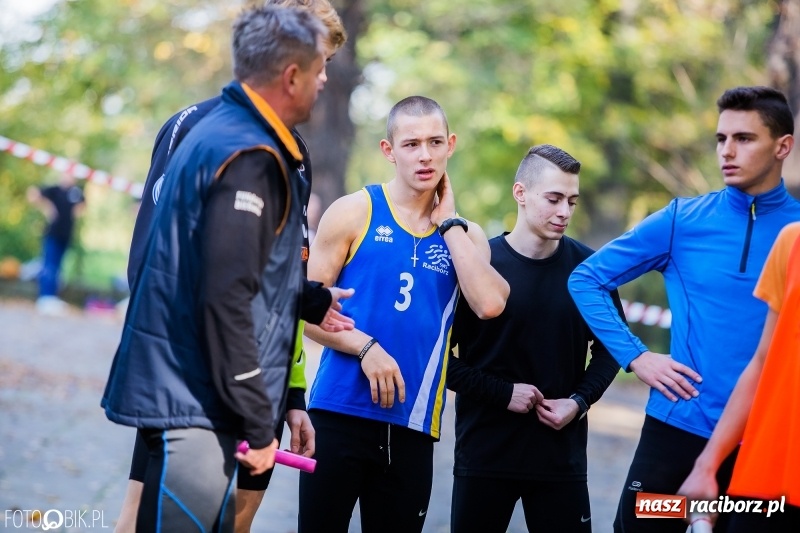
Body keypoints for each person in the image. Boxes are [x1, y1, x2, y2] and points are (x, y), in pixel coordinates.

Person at [101, 7, 354, 532]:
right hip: (201, 397)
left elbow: (238, 266)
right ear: (291, 74)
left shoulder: (235, 133)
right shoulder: (249, 153)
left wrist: (305, 307)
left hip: (192, 388)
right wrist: (253, 414)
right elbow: (224, 294)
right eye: (319, 67)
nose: (326, 79)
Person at [568, 85, 800, 532]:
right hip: (678, 429)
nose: (727, 151)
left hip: (764, 445)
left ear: (782, 147)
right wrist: (636, 356)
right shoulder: (682, 220)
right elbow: (587, 278)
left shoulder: (797, 233)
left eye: (744, 138)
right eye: (720, 139)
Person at [297, 95, 510, 533]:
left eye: (435, 142)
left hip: (413, 423)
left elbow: (489, 305)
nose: (425, 155)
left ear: (451, 144)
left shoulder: (465, 235)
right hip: (337, 414)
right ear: (388, 151)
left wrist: (448, 224)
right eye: (411, 144)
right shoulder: (354, 211)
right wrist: (365, 348)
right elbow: (302, 311)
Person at [446, 144, 622, 533]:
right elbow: (439, 359)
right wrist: (502, 393)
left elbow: (614, 350)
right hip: (484, 456)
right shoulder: (478, 267)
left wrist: (578, 403)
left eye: (572, 201)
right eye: (554, 198)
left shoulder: (591, 271)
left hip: (561, 461)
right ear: (521, 193)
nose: (564, 212)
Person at [678, 221, 800, 532]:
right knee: (645, 513)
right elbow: (762, 363)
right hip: (767, 483)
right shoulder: (792, 239)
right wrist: (706, 466)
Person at [26, 173, 85, 315]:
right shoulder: (54, 190)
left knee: (58, 267)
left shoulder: (76, 192)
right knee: (49, 266)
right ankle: (45, 297)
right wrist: (47, 207)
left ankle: (51, 298)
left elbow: (83, 206)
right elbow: (33, 194)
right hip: (53, 234)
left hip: (66, 236)